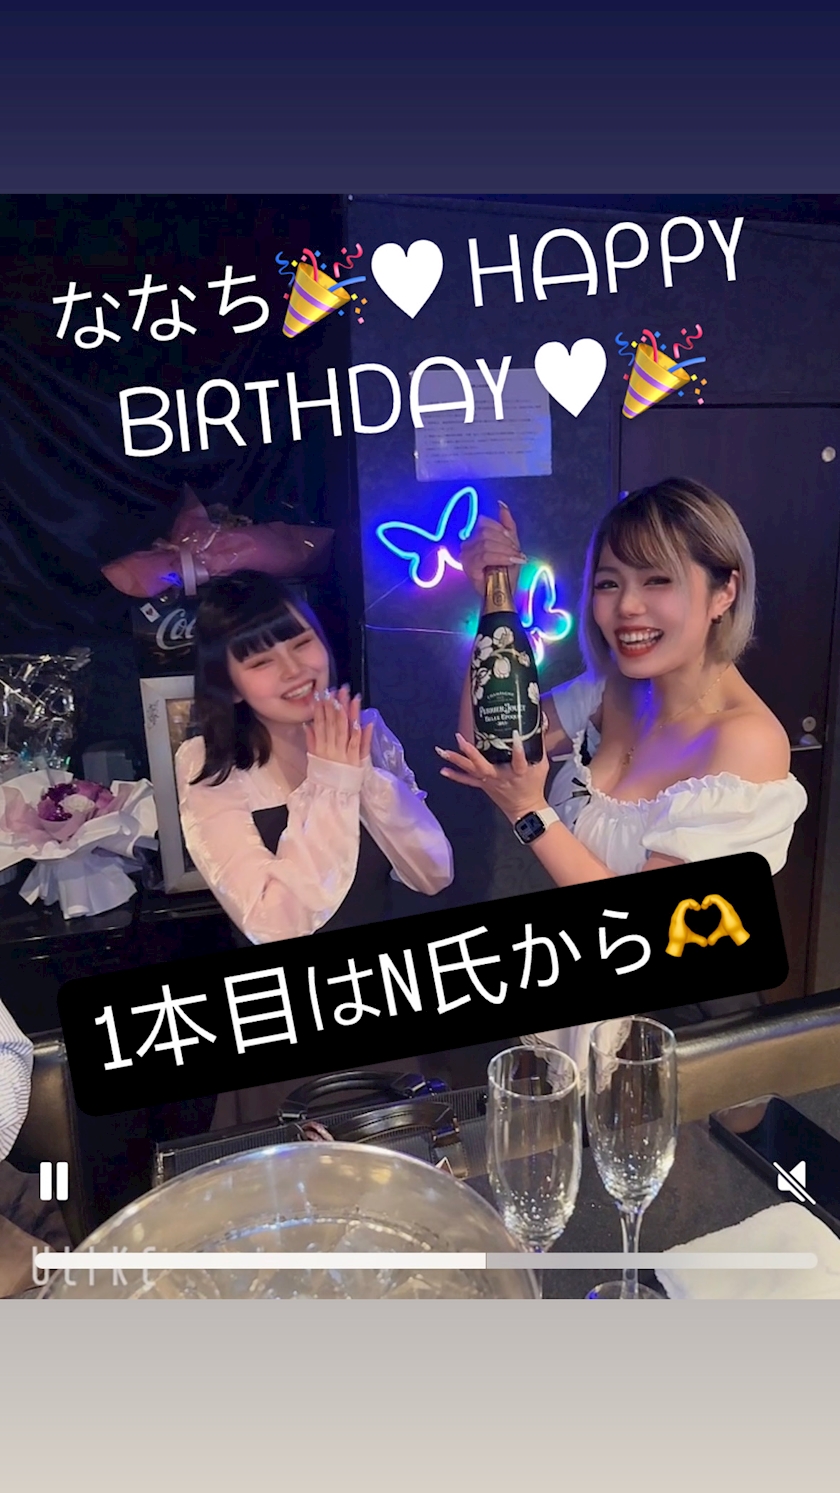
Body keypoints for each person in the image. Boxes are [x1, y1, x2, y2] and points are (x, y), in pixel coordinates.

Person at [437, 479, 808, 1071]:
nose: (627, 606)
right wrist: (494, 599)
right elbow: (492, 747)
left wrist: (530, 814)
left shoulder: (747, 741)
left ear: (724, 591)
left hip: (683, 1030)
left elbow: (642, 927)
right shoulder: (615, 690)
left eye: (657, 580)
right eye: (609, 583)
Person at [175, 572, 454, 1124]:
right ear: (231, 687)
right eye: (261, 661)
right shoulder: (209, 765)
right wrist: (330, 782)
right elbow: (273, 924)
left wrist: (364, 773)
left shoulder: (366, 730)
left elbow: (432, 873)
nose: (294, 670)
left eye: (302, 643)